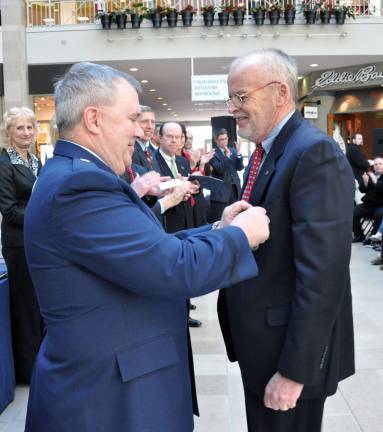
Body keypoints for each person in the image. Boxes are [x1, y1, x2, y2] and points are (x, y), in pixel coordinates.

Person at [23, 62, 270, 432]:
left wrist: (219, 228)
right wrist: (242, 237)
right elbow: (172, 267)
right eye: (132, 118)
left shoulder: (81, 175)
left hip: (119, 382)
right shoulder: (80, 186)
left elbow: (147, 248)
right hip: (111, 397)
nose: (139, 132)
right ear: (93, 118)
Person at [217, 49, 355, 432]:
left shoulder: (314, 152)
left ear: (280, 93)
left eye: (241, 97)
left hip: (286, 355)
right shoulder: (270, 149)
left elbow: (323, 275)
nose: (233, 108)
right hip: (262, 345)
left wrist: (295, 372)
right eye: (231, 98)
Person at [0, 107, 45, 384]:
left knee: (37, 307)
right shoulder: (4, 163)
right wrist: (43, 216)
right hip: (19, 246)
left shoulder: (34, 159)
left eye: (29, 127)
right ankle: (28, 371)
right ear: (9, 132)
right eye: (20, 128)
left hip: (36, 243)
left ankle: (39, 364)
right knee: (25, 309)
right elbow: (9, 209)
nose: (26, 132)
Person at [209, 128, 244, 222]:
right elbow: (220, 169)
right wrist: (227, 156)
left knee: (236, 217)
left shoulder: (233, 150)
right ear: (216, 141)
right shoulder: (213, 154)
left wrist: (239, 153)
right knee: (222, 220)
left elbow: (240, 168)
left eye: (226, 138)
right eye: (221, 139)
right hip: (221, 192)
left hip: (235, 189)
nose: (224, 141)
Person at [352, 156, 383, 242]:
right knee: (354, 211)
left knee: (380, 214)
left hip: (380, 205)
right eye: (376, 164)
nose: (378, 166)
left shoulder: (374, 177)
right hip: (369, 204)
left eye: (380, 164)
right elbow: (362, 190)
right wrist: (365, 182)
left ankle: (374, 237)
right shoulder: (372, 175)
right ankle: (359, 235)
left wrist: (375, 180)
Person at [132, 105, 160, 172]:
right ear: (134, 123)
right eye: (145, 121)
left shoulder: (150, 152)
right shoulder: (131, 150)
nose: (150, 126)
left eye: (152, 122)